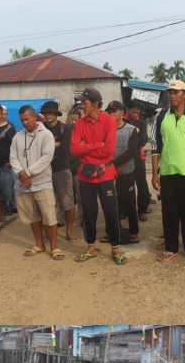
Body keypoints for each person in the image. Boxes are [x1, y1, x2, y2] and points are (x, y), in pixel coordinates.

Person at [152, 81, 185, 263]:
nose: (172, 95)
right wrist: (154, 173)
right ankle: (171, 247)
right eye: (170, 92)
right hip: (167, 171)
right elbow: (155, 147)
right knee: (169, 211)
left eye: (176, 92)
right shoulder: (161, 117)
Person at [71, 87, 125, 265]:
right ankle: (91, 246)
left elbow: (109, 149)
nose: (82, 106)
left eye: (85, 103)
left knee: (111, 211)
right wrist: (96, 145)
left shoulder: (109, 121)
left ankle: (115, 247)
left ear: (95, 104)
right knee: (88, 212)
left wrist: (86, 147)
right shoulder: (80, 123)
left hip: (105, 175)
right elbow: (73, 149)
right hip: (85, 175)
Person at [10, 104, 62, 260]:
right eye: (22, 120)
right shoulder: (17, 136)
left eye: (27, 119)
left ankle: (54, 246)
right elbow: (13, 157)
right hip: (23, 183)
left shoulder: (46, 135)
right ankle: (39, 244)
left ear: (34, 117)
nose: (25, 122)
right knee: (32, 216)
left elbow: (47, 158)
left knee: (49, 215)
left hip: (42, 181)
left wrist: (28, 173)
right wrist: (21, 174)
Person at [40, 101, 78, 243]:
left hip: (61, 169)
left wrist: (48, 146)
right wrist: (55, 144)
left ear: (56, 114)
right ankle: (47, 233)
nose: (48, 115)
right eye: (45, 112)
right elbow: (38, 149)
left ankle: (69, 232)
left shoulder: (65, 128)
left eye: (50, 112)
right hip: (44, 170)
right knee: (45, 203)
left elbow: (65, 150)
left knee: (67, 202)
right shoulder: (40, 128)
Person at [105, 101, 141, 245]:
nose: (112, 114)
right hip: (108, 172)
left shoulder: (131, 129)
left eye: (115, 111)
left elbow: (132, 151)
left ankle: (134, 231)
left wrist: (115, 164)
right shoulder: (105, 129)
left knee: (129, 202)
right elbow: (103, 148)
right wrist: (111, 166)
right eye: (110, 111)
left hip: (126, 171)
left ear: (121, 112)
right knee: (110, 203)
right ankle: (112, 231)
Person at [125, 104, 152, 220]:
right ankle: (125, 210)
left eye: (137, 113)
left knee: (141, 185)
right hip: (124, 159)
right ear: (127, 110)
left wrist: (130, 145)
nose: (135, 115)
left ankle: (142, 210)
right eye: (133, 112)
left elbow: (142, 139)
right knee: (126, 186)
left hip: (138, 158)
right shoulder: (122, 121)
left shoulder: (141, 123)